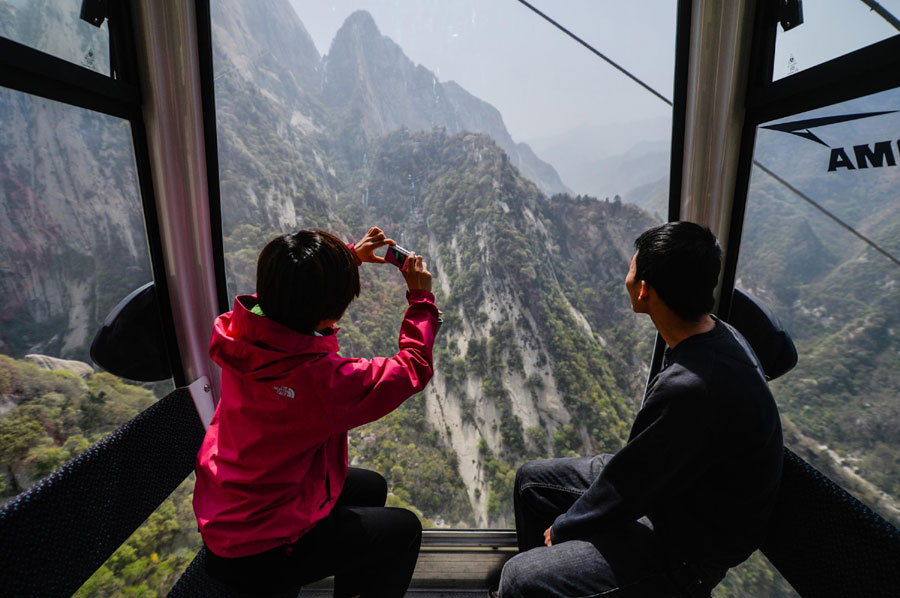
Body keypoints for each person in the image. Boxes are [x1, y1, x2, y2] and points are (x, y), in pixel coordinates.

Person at [499, 222, 783, 597]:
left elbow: (630, 486)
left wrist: (567, 527)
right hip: (680, 489)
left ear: (645, 290)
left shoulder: (692, 386)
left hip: (688, 548)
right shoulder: (715, 333)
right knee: (532, 482)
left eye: (631, 269)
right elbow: (643, 468)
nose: (627, 275)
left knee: (519, 578)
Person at [193, 226, 440, 597]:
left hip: (232, 503)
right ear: (330, 313)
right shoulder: (319, 381)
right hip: (259, 546)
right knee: (403, 531)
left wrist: (348, 259)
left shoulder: (242, 332)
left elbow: (288, 290)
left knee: (369, 486)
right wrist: (421, 299)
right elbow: (411, 369)